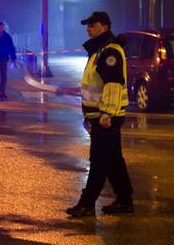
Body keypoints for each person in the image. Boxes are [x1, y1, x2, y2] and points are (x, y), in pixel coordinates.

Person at [65, 11, 134, 218]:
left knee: (99, 161)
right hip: (99, 115)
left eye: (92, 25)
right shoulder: (99, 49)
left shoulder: (110, 51)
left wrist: (107, 114)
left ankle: (86, 204)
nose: (88, 29)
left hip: (106, 117)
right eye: (87, 25)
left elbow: (113, 84)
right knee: (113, 159)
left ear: (104, 27)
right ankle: (124, 200)